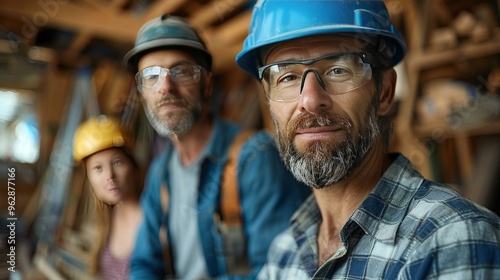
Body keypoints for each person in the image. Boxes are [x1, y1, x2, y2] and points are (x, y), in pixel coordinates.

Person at [236, 0, 500, 279]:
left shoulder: (452, 239)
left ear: (384, 92)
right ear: (269, 103)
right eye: (287, 76)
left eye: (338, 70)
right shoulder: (284, 254)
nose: (310, 100)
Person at [123, 15, 310, 279]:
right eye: (151, 75)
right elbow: (144, 264)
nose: (165, 87)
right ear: (142, 91)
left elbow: (276, 271)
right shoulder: (159, 174)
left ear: (207, 83)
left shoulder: (254, 158)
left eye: (181, 71)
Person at [73, 115, 143, 279]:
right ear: (88, 177)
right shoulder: (106, 219)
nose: (110, 176)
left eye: (117, 162)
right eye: (98, 168)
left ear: (133, 166)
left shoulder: (153, 218)